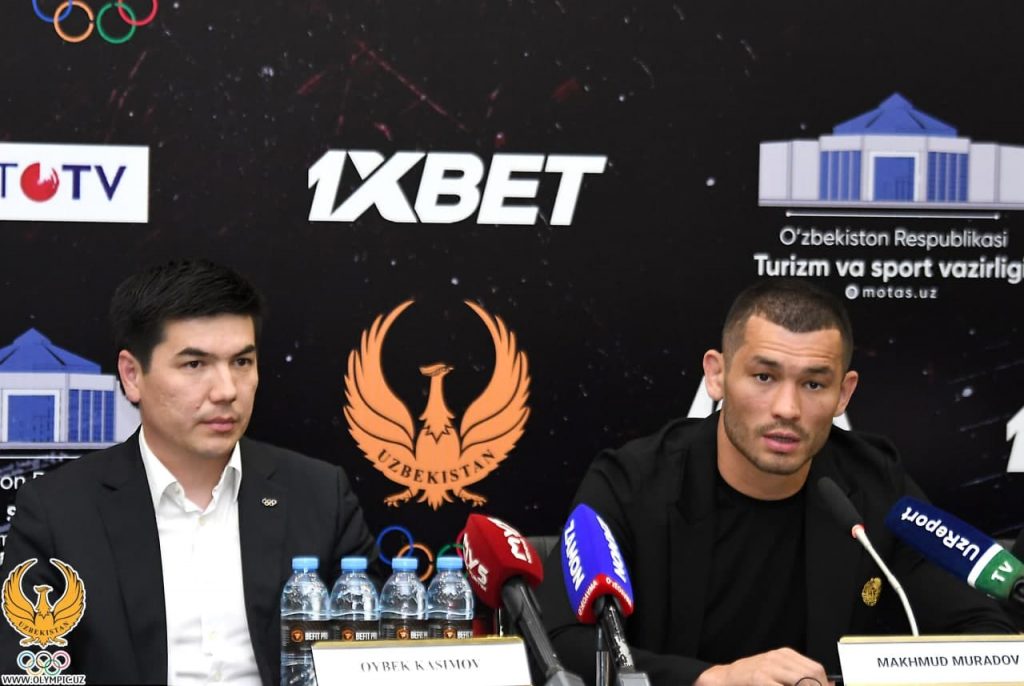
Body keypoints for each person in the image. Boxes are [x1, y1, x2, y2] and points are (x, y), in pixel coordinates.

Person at [537, 279, 1016, 686]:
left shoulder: (874, 485)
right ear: (717, 375)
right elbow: (560, 643)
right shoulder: (632, 483)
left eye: (813, 384)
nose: (787, 408)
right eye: (764, 377)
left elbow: (987, 635)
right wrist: (713, 679)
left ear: (844, 393)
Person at [0, 259, 379, 685]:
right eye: (195, 365)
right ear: (132, 375)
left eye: (242, 362)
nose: (226, 391)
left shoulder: (320, 495)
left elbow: (374, 661)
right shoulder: (59, 510)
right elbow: (28, 670)